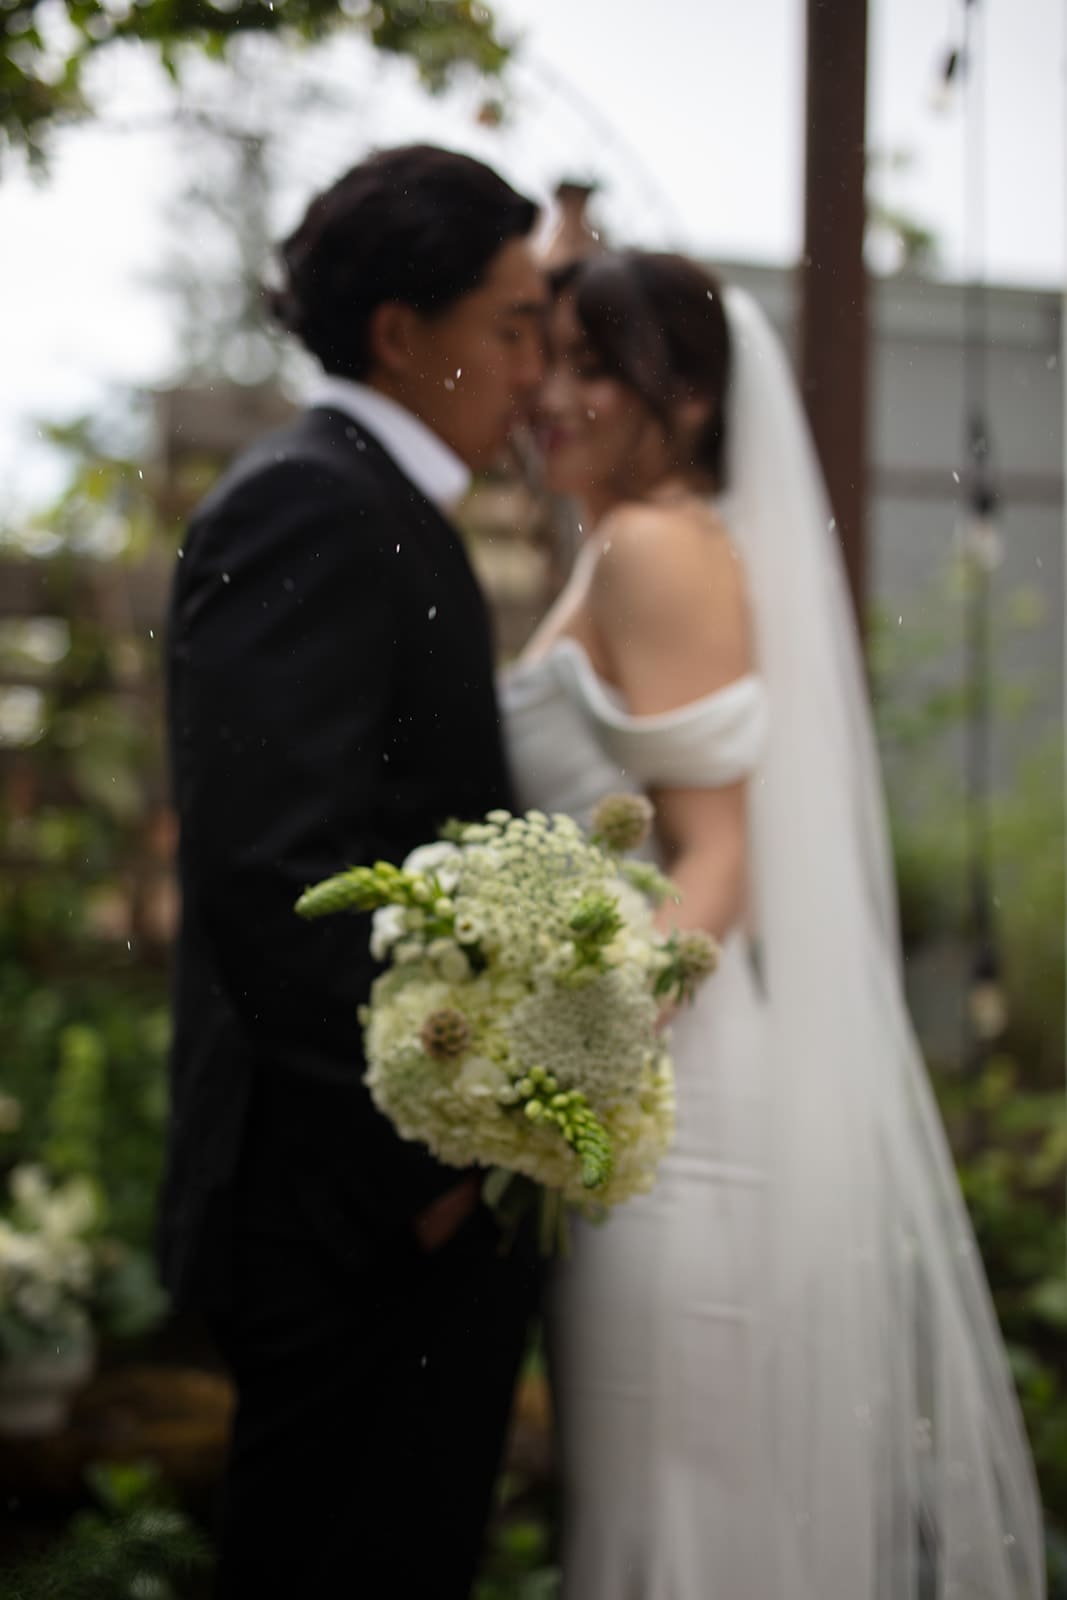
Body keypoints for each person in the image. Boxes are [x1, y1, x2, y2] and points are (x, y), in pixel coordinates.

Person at [500, 250, 1045, 1598]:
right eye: (547, 359)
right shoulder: (637, 535)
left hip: (668, 1102)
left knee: (667, 1515)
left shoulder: (654, 545)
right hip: (654, 1089)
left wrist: (576, 1058)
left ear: (684, 396)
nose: (549, 396)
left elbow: (720, 855)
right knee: (669, 1501)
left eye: (590, 367)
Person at [161, 144, 547, 1598]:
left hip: (385, 1212)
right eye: (512, 326)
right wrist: (425, 1174)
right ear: (401, 331)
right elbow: (271, 876)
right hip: (347, 1215)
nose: (535, 367)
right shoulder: (314, 504)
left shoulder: (377, 499)